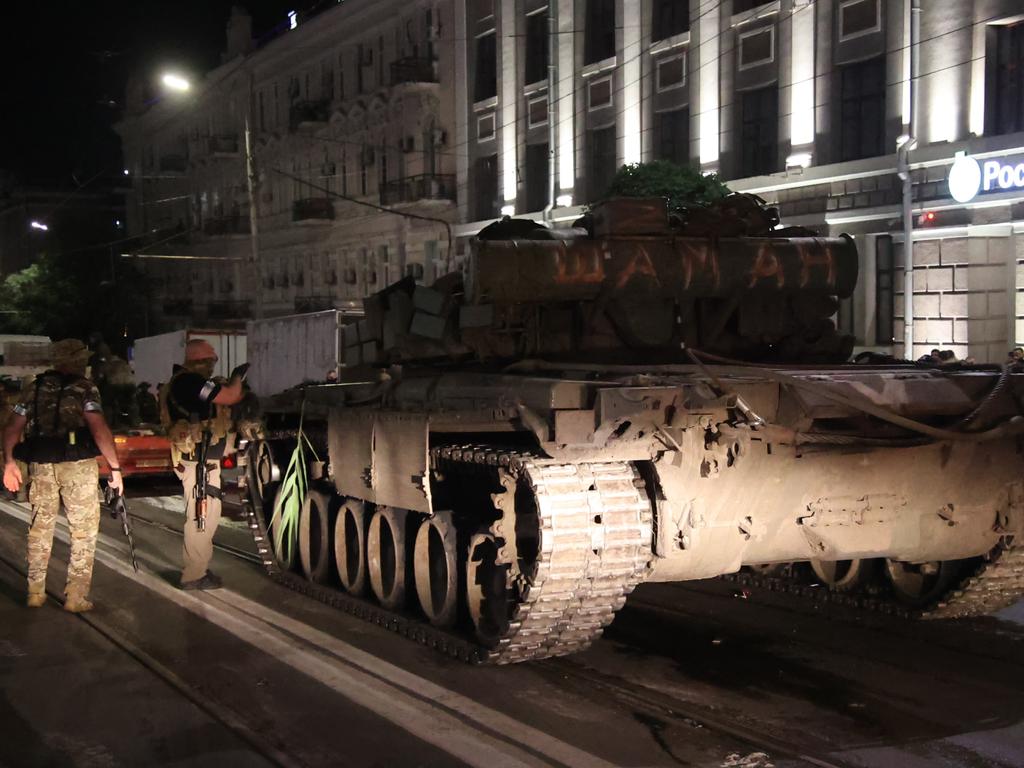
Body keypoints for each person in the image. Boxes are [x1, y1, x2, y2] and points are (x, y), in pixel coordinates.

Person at [1, 339, 124, 611]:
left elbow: (12, 427)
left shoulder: (33, 389)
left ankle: (35, 591)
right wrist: (114, 468)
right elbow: (98, 427)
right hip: (77, 465)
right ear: (77, 361)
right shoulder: (85, 388)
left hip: (41, 464)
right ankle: (75, 597)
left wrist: (9, 462)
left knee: (40, 527)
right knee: (83, 531)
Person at [159, 339, 247, 590]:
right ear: (199, 361)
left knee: (204, 514)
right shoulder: (190, 382)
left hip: (199, 460)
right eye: (210, 361)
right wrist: (237, 376)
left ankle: (197, 568)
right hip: (199, 462)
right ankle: (194, 574)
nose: (212, 367)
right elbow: (231, 396)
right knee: (202, 516)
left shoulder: (186, 382)